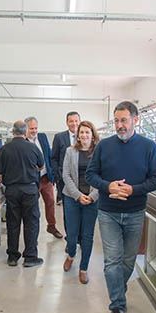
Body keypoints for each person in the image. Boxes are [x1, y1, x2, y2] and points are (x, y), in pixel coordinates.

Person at [86, 101, 156, 313]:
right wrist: (108, 186)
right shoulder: (104, 146)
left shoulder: (149, 147)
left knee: (128, 261)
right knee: (112, 261)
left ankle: (118, 293)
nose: (120, 125)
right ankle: (118, 310)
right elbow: (91, 174)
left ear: (135, 120)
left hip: (135, 212)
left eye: (124, 120)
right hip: (108, 212)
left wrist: (133, 190)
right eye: (117, 121)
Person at [0, 121, 46, 267]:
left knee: (13, 223)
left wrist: (10, 182)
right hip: (30, 190)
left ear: (12, 132)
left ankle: (12, 256)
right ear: (25, 132)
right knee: (31, 223)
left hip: (12, 191)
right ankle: (30, 257)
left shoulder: (4, 149)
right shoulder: (33, 148)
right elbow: (41, 166)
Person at [62, 120, 100, 284]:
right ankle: (71, 255)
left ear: (93, 135)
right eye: (81, 132)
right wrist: (78, 195)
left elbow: (103, 176)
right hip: (72, 198)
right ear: (77, 135)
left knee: (87, 236)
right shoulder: (70, 151)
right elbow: (66, 175)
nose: (84, 135)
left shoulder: (99, 153)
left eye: (87, 132)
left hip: (92, 199)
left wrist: (92, 196)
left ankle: (83, 268)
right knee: (71, 235)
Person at [24, 116, 63, 239]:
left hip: (46, 178)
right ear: (26, 129)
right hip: (32, 181)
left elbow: (49, 155)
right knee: (33, 208)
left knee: (50, 202)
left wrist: (53, 173)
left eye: (36, 128)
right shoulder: (23, 142)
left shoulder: (42, 137)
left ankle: (51, 226)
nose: (34, 131)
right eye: (31, 129)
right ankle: (33, 234)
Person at [51, 111, 81, 206]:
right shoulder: (59, 137)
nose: (74, 124)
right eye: (71, 121)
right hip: (64, 179)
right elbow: (54, 158)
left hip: (82, 179)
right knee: (67, 207)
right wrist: (58, 176)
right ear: (67, 123)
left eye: (76, 121)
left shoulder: (85, 136)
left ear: (80, 122)